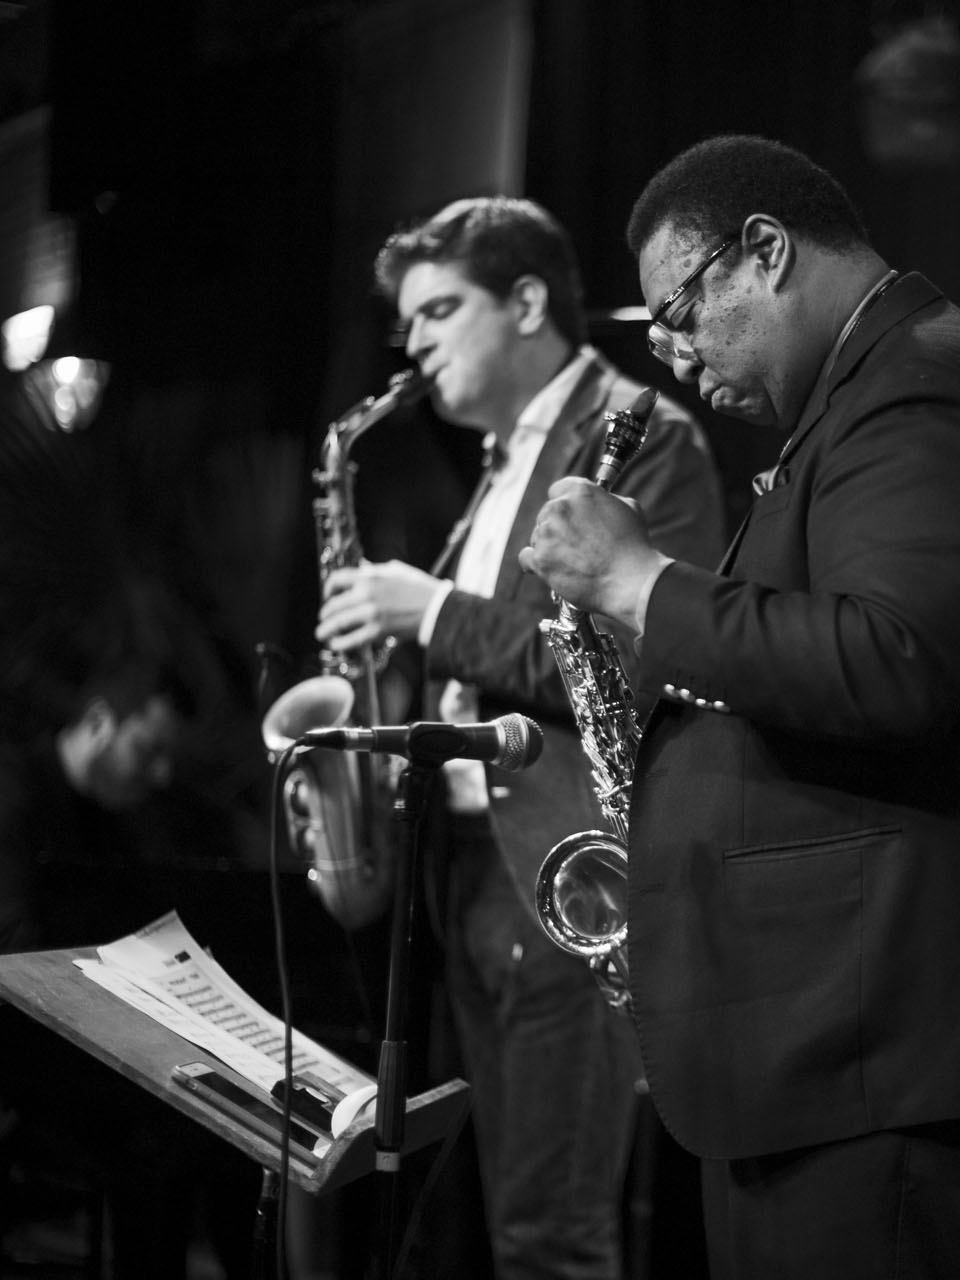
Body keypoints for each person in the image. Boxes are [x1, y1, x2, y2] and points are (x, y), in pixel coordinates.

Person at [518, 134, 960, 1280]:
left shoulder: (926, 384)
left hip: (892, 1060)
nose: (674, 357)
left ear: (765, 250)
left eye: (681, 311)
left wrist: (637, 580)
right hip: (831, 1054)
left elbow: (891, 659)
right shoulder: (863, 397)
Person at [313, 195, 725, 1280]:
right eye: (408, 321)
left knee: (551, 1238)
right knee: (478, 1234)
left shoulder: (642, 434)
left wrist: (429, 611)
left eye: (442, 309)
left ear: (529, 300)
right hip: (469, 876)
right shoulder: (501, 464)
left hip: (567, 877)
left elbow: (637, 661)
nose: (417, 342)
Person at [0, 651, 254, 1279]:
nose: (163, 775)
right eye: (150, 749)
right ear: (98, 721)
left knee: (228, 1134)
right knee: (164, 1144)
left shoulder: (110, 822)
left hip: (43, 1061)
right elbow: (14, 955)